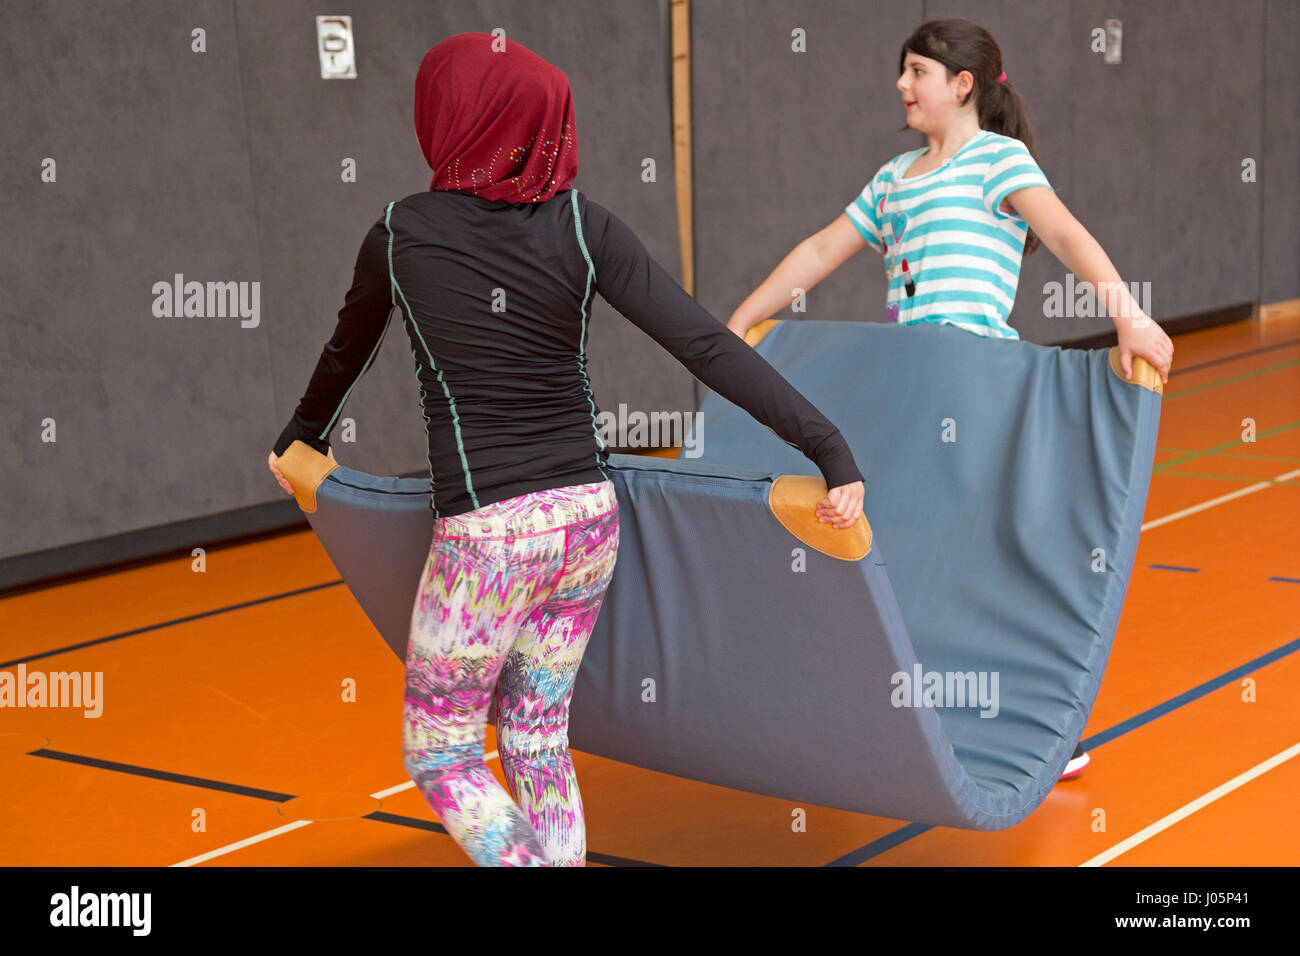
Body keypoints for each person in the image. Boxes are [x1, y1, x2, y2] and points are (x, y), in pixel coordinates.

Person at [266, 32, 865, 865]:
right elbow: (704, 345)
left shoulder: (400, 234)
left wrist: (301, 437)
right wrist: (830, 448)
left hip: (489, 542)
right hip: (587, 525)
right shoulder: (585, 226)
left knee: (439, 752)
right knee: (537, 739)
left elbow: (347, 354)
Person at [725, 18, 1175, 782]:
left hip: (977, 389)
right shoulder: (893, 178)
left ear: (962, 85)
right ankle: (906, 719)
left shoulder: (1000, 160)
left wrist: (1127, 313)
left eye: (916, 72)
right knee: (899, 553)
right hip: (908, 385)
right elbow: (821, 248)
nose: (902, 86)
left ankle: (1031, 733)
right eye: (901, 71)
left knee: (983, 564)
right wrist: (741, 321)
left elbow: (1064, 234)